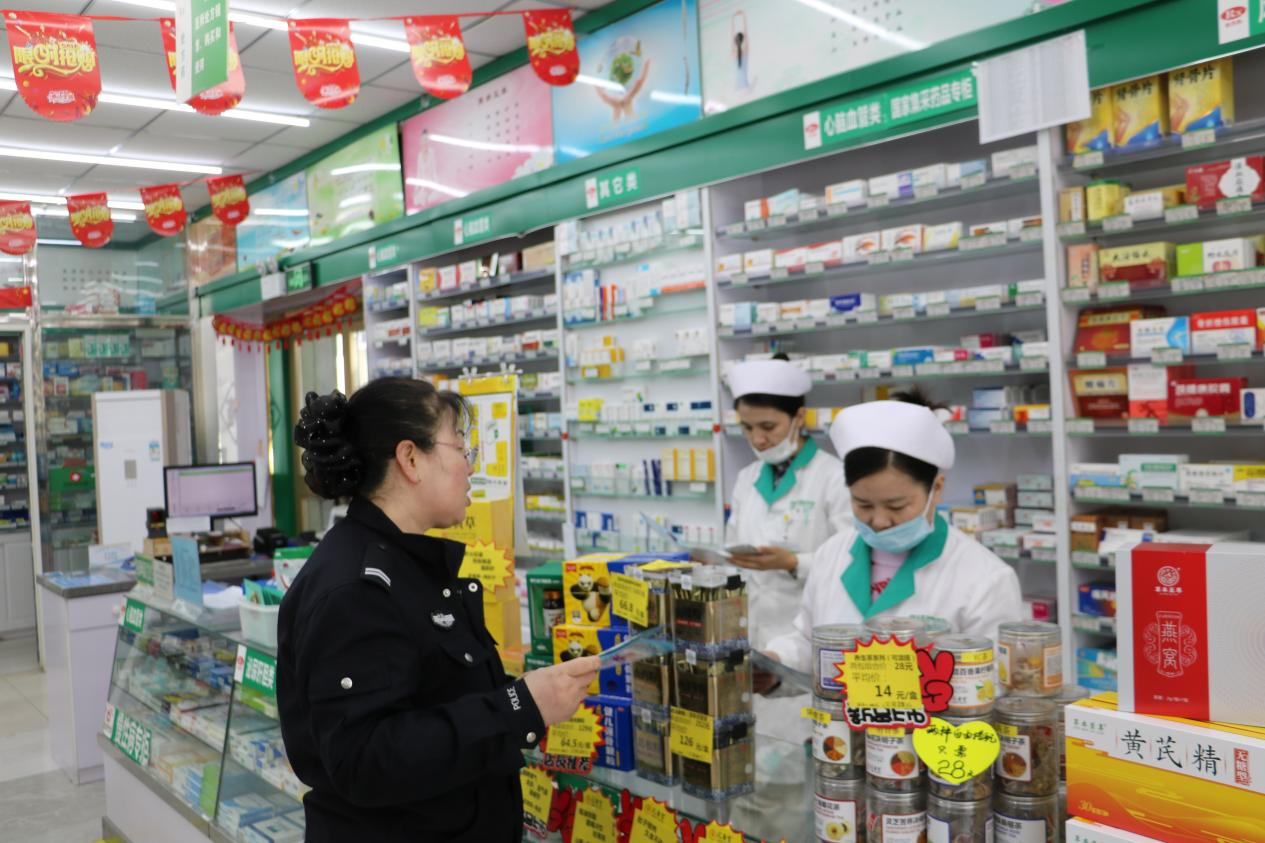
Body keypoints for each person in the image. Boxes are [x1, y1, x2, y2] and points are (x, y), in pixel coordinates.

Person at [276, 379, 599, 842]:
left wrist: (525, 696)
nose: (471, 467)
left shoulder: (410, 563)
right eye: (461, 448)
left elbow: (435, 695)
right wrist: (518, 706)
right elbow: (365, 760)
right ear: (410, 459)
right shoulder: (357, 589)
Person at [766, 390, 1024, 672]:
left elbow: (999, 677)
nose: (879, 521)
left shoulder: (985, 578)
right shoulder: (832, 554)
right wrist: (776, 663)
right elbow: (809, 642)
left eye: (896, 506)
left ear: (936, 489)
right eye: (863, 504)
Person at [723, 356, 851, 650]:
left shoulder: (835, 476)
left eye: (768, 426)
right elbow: (732, 549)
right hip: (751, 633)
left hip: (809, 636)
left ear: (799, 417)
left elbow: (851, 560)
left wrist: (794, 563)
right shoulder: (747, 477)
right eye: (747, 427)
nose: (758, 439)